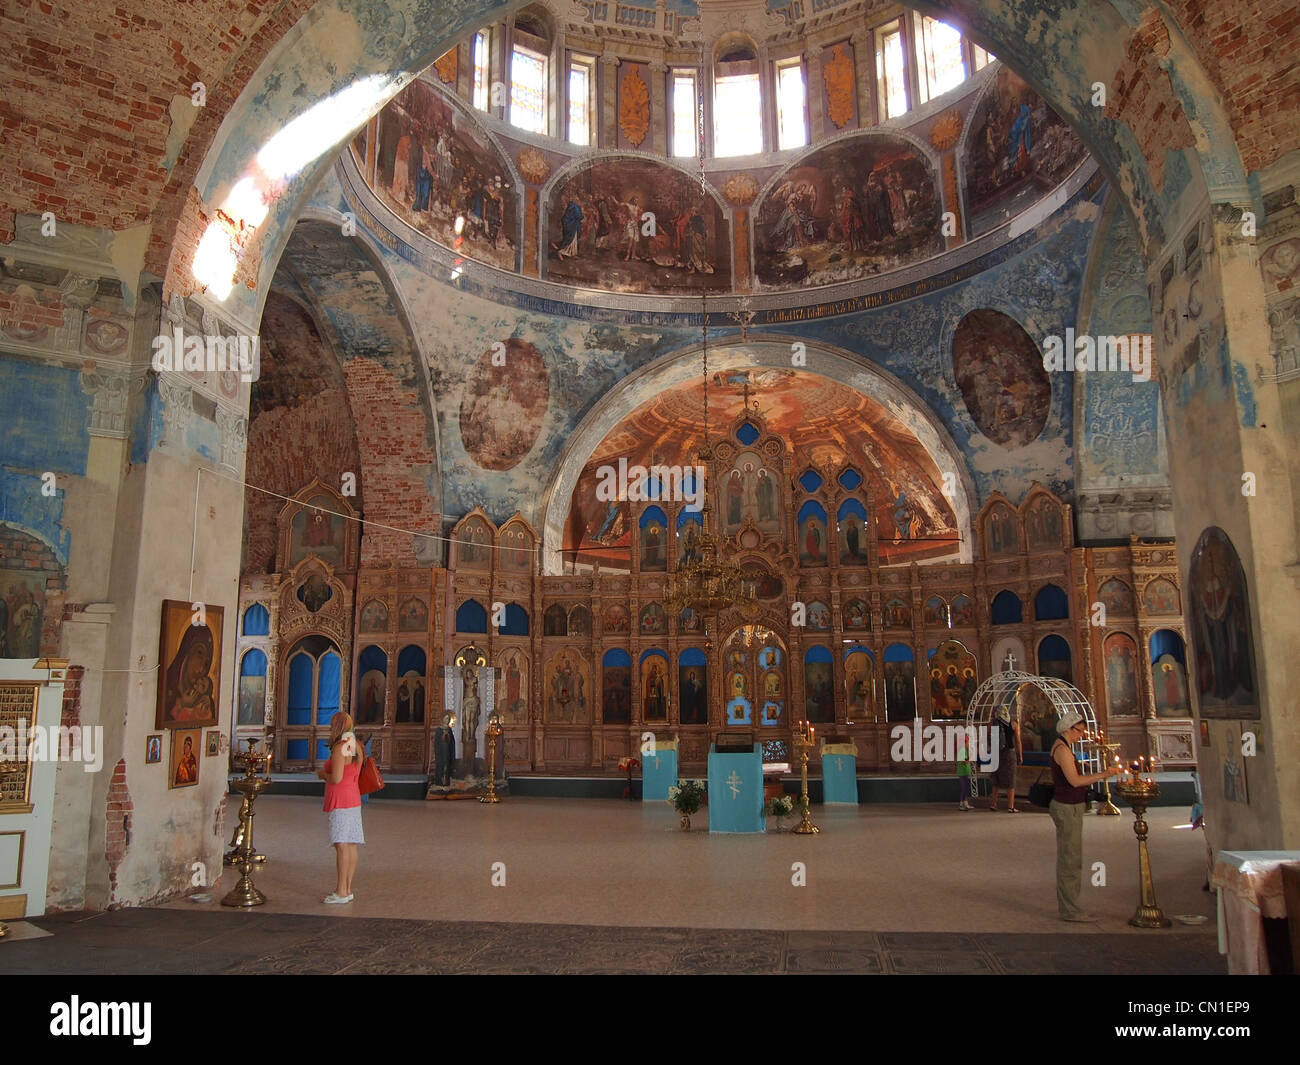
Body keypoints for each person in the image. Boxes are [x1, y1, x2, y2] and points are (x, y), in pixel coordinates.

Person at [1049, 710, 1119, 921]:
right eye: (1079, 731)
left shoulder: (1064, 746)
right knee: (1070, 859)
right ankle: (1070, 909)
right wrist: (1104, 774)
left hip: (1071, 806)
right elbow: (1075, 781)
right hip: (1067, 807)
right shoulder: (1062, 749)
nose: (1081, 735)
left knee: (1071, 856)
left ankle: (1070, 906)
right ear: (1068, 729)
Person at [316, 711, 364, 904]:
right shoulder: (355, 745)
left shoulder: (340, 747)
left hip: (341, 800)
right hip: (353, 799)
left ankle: (341, 891)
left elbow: (336, 777)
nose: (330, 728)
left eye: (332, 724)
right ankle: (348, 888)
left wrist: (322, 774)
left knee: (341, 844)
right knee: (350, 844)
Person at [990, 702, 1023, 812]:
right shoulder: (1013, 724)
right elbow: (1018, 741)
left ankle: (994, 804)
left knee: (996, 778)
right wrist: (1020, 755)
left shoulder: (993, 723)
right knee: (1011, 778)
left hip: (996, 752)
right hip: (1009, 752)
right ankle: (1011, 806)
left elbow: (987, 738)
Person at [956, 737, 973, 810]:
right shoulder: (962, 750)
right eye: (968, 742)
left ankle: (965, 803)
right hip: (962, 772)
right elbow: (963, 761)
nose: (969, 744)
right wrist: (970, 758)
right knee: (964, 788)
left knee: (965, 788)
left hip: (965, 772)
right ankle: (961, 804)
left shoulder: (965, 750)